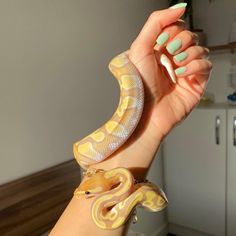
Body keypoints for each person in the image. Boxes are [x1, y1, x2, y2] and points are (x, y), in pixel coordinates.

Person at [50, 4, 212, 236]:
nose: (80, 193)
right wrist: (149, 128)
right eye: (86, 191)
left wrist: (148, 112)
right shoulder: (116, 187)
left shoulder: (112, 186)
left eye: (86, 191)